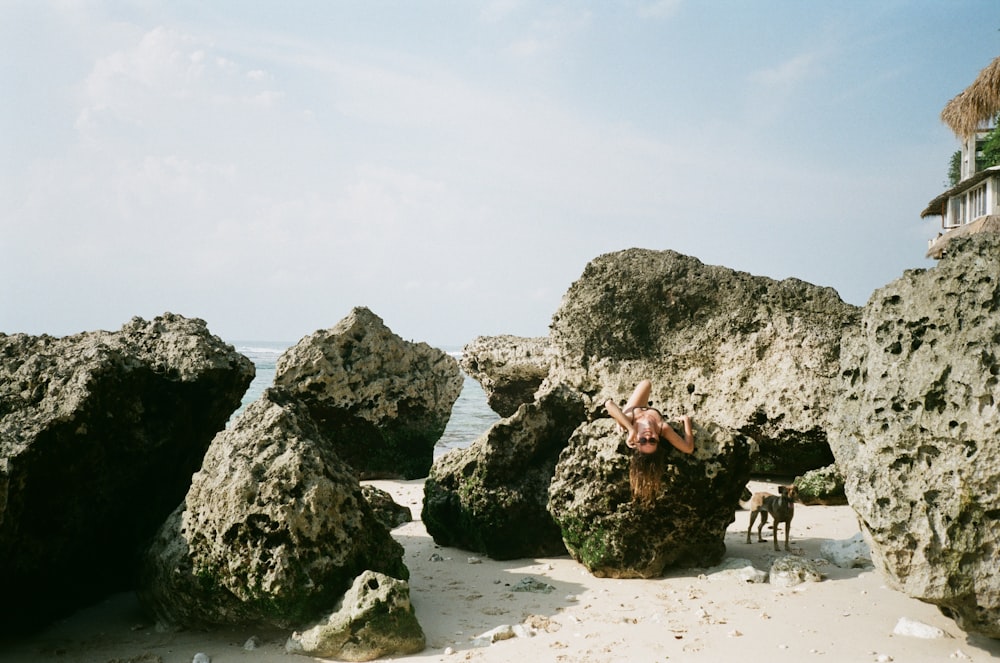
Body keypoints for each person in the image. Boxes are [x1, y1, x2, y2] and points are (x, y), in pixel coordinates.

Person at [604, 379, 694, 504]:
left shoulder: (633, 423)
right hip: (639, 411)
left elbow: (608, 404)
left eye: (642, 440)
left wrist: (630, 428)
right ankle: (619, 419)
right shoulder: (663, 428)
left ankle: (620, 419)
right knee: (647, 384)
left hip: (633, 413)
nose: (648, 436)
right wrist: (687, 421)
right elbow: (688, 448)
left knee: (645, 385)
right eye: (652, 440)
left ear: (636, 441)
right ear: (658, 438)